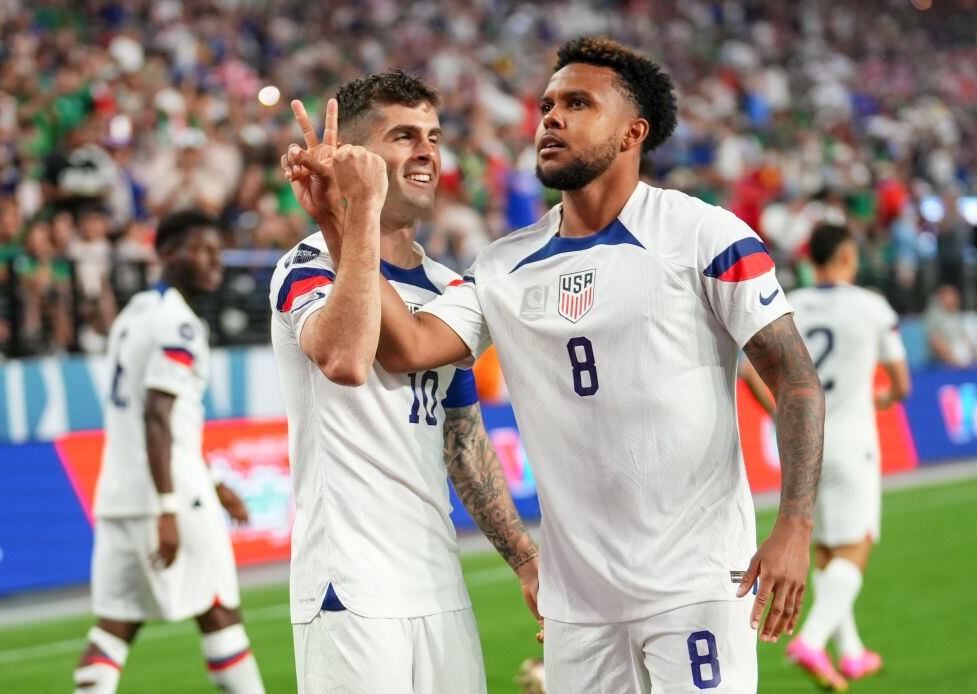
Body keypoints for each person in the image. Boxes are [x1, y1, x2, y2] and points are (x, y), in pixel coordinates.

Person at [302, 38, 825, 693]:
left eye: (578, 104)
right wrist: (342, 217)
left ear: (633, 131)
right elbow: (406, 346)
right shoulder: (500, 265)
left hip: (696, 583)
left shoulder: (703, 235)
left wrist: (797, 525)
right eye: (547, 104)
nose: (551, 117)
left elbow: (796, 380)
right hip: (578, 610)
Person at [274, 72, 539, 694]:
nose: (426, 151)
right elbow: (344, 357)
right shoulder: (304, 265)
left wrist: (527, 561)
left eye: (433, 136)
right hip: (351, 584)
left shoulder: (450, 287)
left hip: (438, 578)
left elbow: (463, 440)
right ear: (358, 159)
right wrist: (357, 210)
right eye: (403, 136)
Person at [73, 210, 264, 694]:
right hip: (171, 496)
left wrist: (215, 483)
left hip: (118, 492)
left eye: (216, 249)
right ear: (166, 255)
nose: (214, 260)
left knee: (115, 626)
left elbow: (159, 420)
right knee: (219, 608)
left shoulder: (135, 312)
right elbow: (157, 416)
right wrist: (168, 508)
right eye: (201, 249)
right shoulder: (179, 324)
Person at [781, 224, 910, 690]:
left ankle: (851, 652)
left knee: (827, 548)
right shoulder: (871, 306)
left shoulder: (790, 303)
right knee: (856, 546)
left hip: (801, 442)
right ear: (847, 256)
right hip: (851, 439)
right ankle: (813, 640)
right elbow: (902, 382)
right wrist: (886, 397)